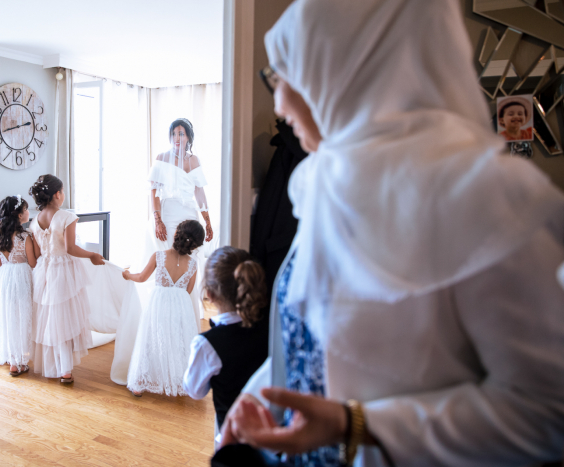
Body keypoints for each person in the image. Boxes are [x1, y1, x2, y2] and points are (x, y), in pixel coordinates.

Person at [219, 1, 564, 466]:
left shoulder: (486, 201)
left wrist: (358, 425)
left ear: (356, 66)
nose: (278, 103)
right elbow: (309, 341)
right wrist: (260, 394)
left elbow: (548, 412)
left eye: (289, 74)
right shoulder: (327, 183)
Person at [183, 247, 268, 440]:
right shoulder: (268, 328)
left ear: (209, 294)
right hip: (273, 430)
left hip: (233, 437)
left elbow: (195, 391)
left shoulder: (207, 344)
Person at [28, 174, 105, 384]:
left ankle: (54, 365)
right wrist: (92, 255)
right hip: (63, 270)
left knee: (50, 318)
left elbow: (36, 255)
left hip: (43, 269)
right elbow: (70, 248)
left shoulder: (35, 221)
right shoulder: (66, 216)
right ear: (57, 194)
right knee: (64, 318)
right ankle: (65, 370)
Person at [144, 118, 214, 322]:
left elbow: (199, 192)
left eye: (182, 133)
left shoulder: (194, 160)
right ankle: (164, 313)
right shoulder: (162, 157)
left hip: (189, 215)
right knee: (167, 259)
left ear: (189, 137)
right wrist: (158, 220)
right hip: (167, 214)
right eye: (175, 133)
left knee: (189, 260)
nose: (177, 137)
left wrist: (207, 220)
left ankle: (186, 314)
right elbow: (153, 192)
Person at [125, 220, 204, 397]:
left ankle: (139, 383)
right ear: (196, 244)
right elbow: (189, 290)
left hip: (158, 302)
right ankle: (178, 380)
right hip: (181, 304)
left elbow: (142, 277)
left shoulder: (159, 256)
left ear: (176, 233)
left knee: (150, 337)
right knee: (177, 339)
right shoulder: (192, 264)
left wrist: (127, 274)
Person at [0, 195, 36, 376]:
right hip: (22, 277)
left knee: (8, 317)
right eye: (25, 210)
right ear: (19, 215)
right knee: (22, 316)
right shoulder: (25, 236)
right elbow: (32, 262)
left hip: (5, 278)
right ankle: (20, 361)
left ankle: (13, 362)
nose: (28, 212)